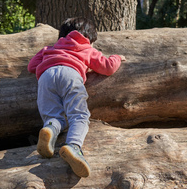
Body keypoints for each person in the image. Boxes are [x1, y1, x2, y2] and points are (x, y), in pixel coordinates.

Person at [28, 17, 125, 177]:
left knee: (53, 116)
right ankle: (73, 146)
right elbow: (108, 67)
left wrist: (47, 56)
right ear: (89, 39)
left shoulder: (49, 48)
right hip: (71, 74)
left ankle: (50, 128)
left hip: (46, 76)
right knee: (79, 116)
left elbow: (32, 66)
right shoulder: (87, 49)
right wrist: (117, 58)